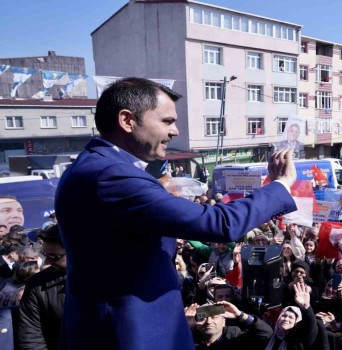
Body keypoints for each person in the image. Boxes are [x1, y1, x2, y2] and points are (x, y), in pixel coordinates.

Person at [54, 77, 298, 350]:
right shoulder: (110, 175)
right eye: (167, 121)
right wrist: (281, 185)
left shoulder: (102, 168)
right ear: (127, 120)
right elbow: (219, 223)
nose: (175, 131)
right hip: (131, 334)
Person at [17, 224, 67, 350]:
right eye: (45, 255)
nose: (47, 262)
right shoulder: (37, 284)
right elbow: (31, 337)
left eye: (54, 257)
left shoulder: (112, 280)